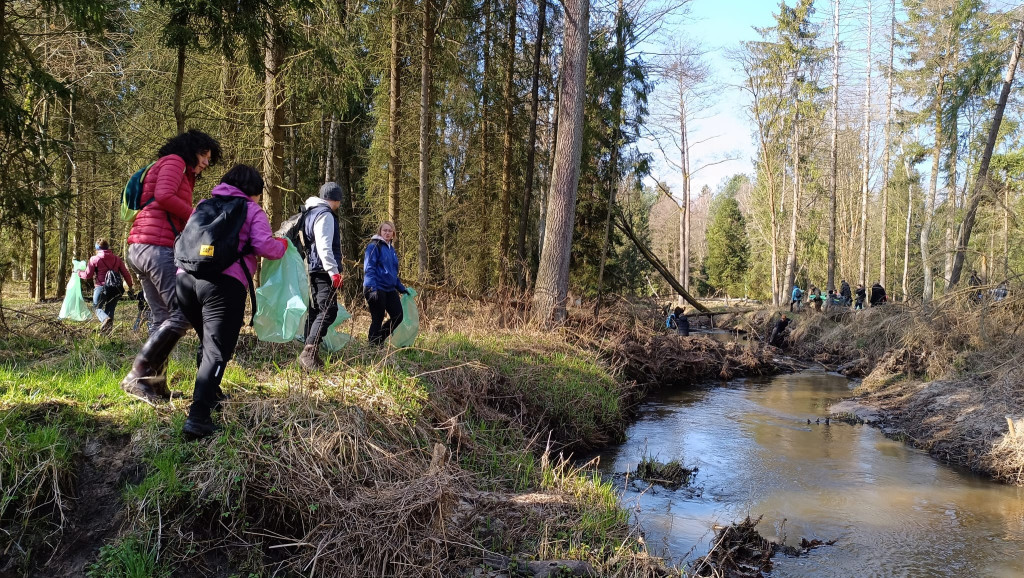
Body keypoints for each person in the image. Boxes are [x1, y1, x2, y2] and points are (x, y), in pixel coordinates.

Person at [175, 165, 287, 437]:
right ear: (255, 191)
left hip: (184, 281)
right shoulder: (251, 209)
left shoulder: (204, 204)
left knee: (208, 343)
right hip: (222, 285)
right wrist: (283, 243)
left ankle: (211, 396)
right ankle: (198, 417)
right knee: (217, 350)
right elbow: (265, 247)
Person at [121, 130, 222, 403]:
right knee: (184, 312)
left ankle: (154, 384)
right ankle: (138, 376)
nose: (206, 163)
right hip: (155, 246)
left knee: (161, 318)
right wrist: (198, 217)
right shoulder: (175, 161)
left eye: (209, 159)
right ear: (191, 150)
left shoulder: (174, 167)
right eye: (203, 155)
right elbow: (164, 196)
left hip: (142, 246)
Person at [297, 182, 346, 370]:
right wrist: (333, 272)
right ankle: (309, 352)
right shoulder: (325, 215)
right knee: (328, 310)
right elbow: (324, 246)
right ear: (335, 199)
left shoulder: (311, 212)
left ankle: (310, 356)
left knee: (316, 310)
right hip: (322, 270)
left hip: (313, 268)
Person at [363, 221, 409, 346]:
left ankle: (378, 340)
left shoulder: (391, 249)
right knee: (378, 318)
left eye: (390, 231)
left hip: (389, 289)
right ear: (380, 231)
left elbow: (392, 272)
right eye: (385, 230)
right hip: (376, 287)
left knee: (398, 316)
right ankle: (372, 346)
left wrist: (401, 288)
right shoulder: (374, 246)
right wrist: (372, 288)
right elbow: (369, 268)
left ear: (393, 233)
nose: (387, 233)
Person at [80, 239, 134, 334]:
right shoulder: (117, 259)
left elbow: (88, 275)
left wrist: (79, 273)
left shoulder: (94, 259)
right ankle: (107, 334)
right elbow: (126, 274)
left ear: (97, 248)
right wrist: (130, 286)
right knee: (110, 309)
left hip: (101, 287)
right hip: (116, 289)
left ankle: (105, 319)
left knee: (97, 308)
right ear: (107, 247)